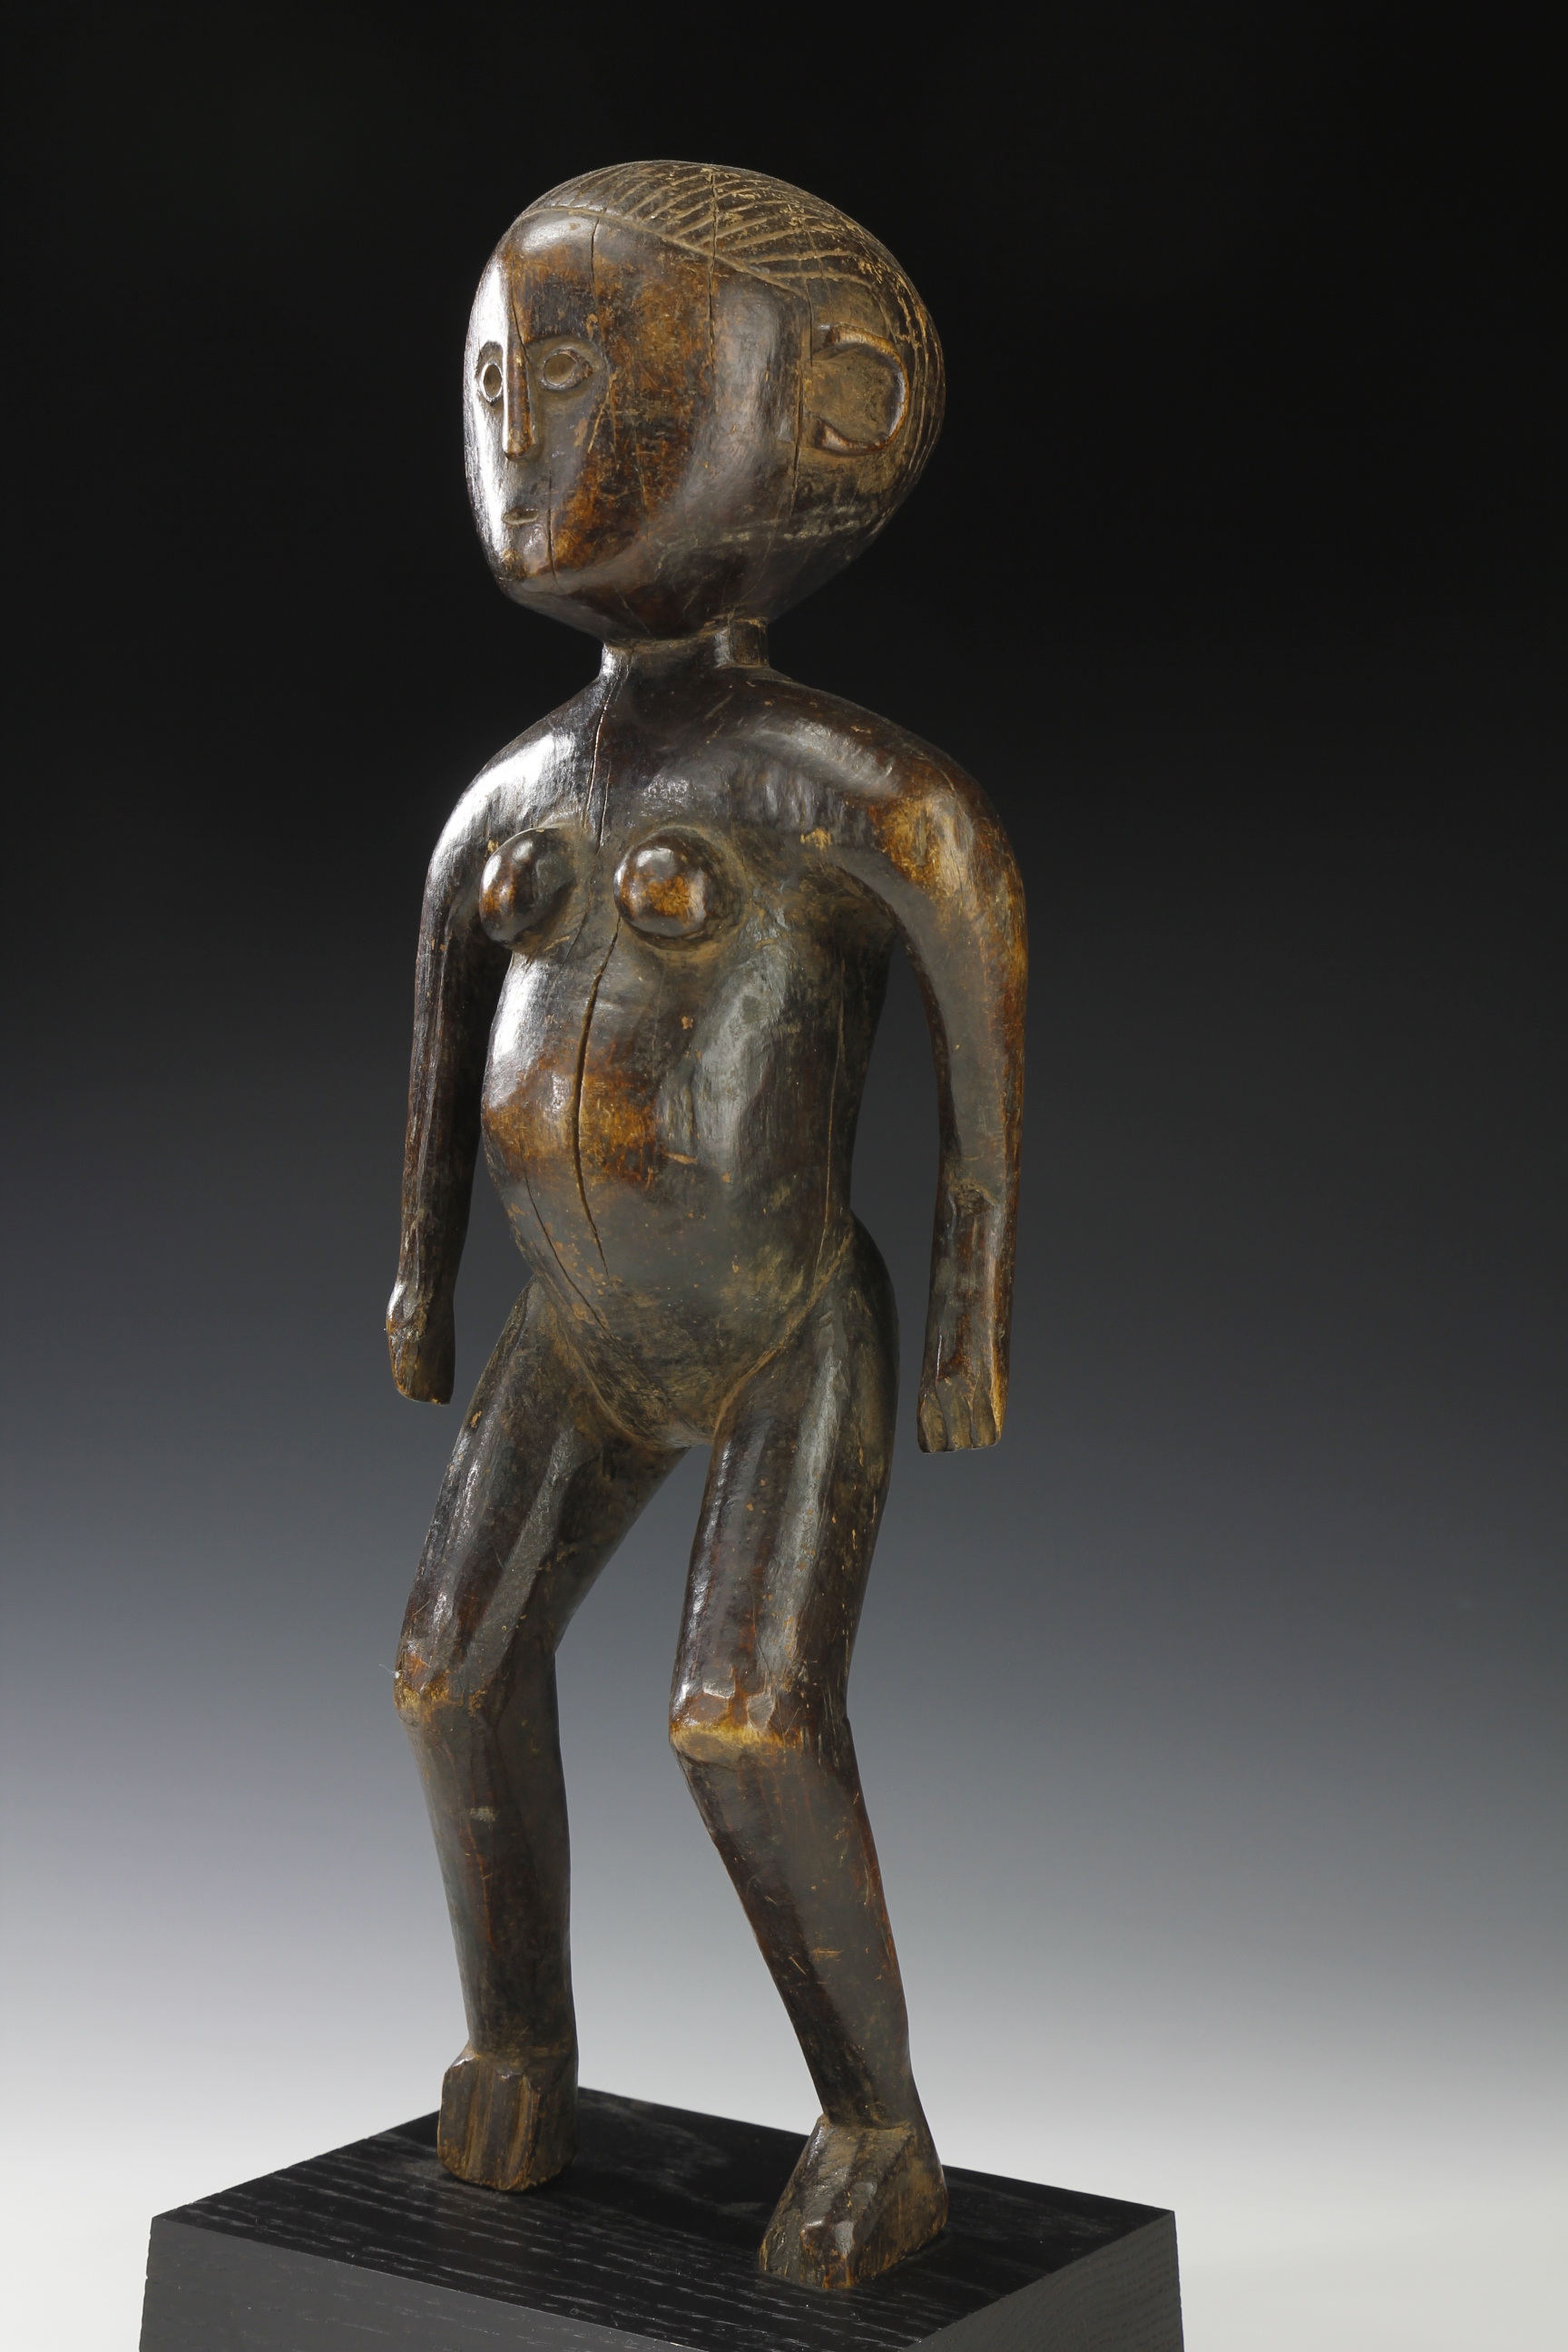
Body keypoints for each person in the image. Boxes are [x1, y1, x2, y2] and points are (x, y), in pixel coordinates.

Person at [387, 160, 1025, 2291]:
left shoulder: (853, 789)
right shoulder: (506, 800)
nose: (521, 426)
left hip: (773, 1326)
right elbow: (437, 1037)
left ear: (816, 422)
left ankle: (877, 2124)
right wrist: (419, 1264)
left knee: (746, 1720)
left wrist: (970, 1301)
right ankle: (517, 2046)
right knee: (449, 1675)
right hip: (574, 1324)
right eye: (497, 379)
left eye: (589, 379)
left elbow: (979, 1005)